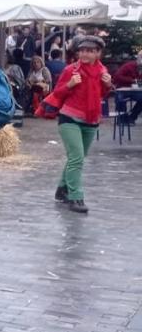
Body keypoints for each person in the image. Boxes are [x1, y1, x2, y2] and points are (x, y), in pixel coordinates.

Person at [51, 36, 113, 213]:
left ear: (98, 53)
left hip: (91, 119)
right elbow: (57, 93)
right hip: (69, 118)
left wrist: (108, 85)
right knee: (77, 158)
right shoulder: (71, 70)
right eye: (82, 50)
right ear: (78, 52)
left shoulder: (102, 71)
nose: (85, 54)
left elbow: (101, 93)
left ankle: (61, 189)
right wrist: (70, 84)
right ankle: (75, 197)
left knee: (76, 157)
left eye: (90, 51)